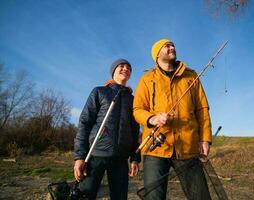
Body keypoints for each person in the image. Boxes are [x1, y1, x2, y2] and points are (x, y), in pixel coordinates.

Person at [133, 39, 212, 200]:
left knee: (200, 196)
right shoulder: (146, 79)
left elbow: (202, 109)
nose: (172, 47)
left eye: (172, 45)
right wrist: (152, 118)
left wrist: (205, 138)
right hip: (155, 149)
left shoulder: (191, 75)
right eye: (166, 46)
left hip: (188, 147)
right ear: (156, 55)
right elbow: (137, 110)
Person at [74, 59, 140, 200]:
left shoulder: (134, 100)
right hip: (95, 155)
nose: (125, 69)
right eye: (121, 66)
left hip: (121, 159)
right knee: (85, 195)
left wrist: (135, 158)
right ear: (113, 71)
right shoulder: (99, 92)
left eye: (129, 67)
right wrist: (79, 157)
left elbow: (135, 131)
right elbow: (85, 122)